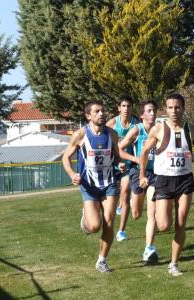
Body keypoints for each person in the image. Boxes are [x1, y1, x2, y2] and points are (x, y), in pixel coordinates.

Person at [139, 93, 194, 276]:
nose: (174, 111)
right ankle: (167, 253)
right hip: (164, 180)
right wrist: (141, 175)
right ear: (166, 109)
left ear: (183, 109)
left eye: (177, 107)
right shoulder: (159, 129)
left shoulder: (191, 129)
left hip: (185, 180)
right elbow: (144, 152)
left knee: (181, 223)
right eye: (170, 107)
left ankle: (174, 264)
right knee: (163, 225)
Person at [62, 100, 121, 273]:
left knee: (109, 221)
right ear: (88, 116)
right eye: (97, 111)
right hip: (89, 185)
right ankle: (86, 219)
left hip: (109, 183)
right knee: (95, 226)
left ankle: (102, 261)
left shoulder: (112, 134)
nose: (102, 114)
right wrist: (73, 174)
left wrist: (121, 163)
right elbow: (65, 158)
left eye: (103, 111)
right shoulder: (80, 135)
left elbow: (117, 156)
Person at [118, 100, 159, 263]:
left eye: (154, 111)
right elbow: (119, 150)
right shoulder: (137, 130)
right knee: (136, 214)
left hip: (155, 174)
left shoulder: (160, 130)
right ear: (142, 115)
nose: (152, 114)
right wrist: (136, 158)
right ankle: (130, 200)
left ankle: (149, 248)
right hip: (137, 173)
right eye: (149, 111)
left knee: (152, 213)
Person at [106, 96, 139, 242]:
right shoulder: (113, 123)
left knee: (125, 193)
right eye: (123, 106)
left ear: (132, 108)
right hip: (112, 164)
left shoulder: (136, 124)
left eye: (129, 106)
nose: (126, 109)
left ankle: (121, 231)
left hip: (129, 164)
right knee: (109, 198)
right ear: (119, 108)